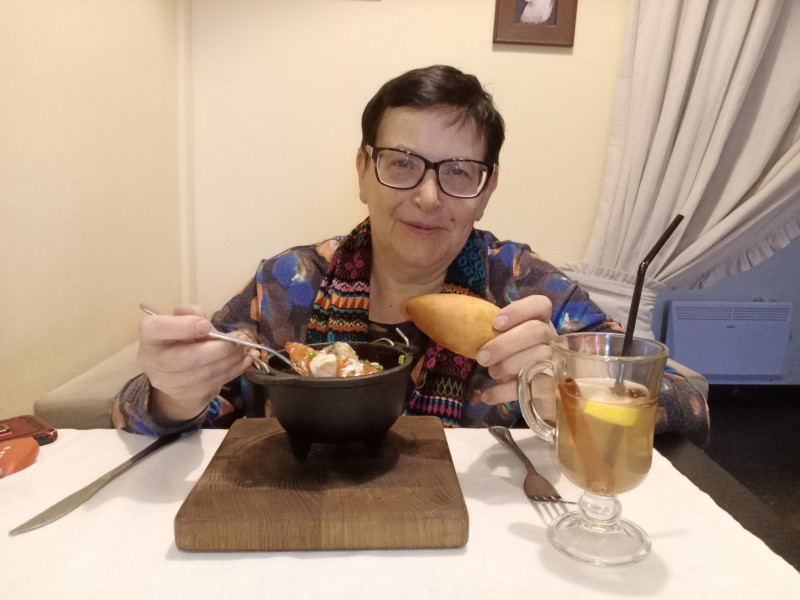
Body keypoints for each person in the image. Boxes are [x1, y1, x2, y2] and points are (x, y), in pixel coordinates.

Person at [113, 65, 709, 444]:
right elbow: (141, 411)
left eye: (459, 171)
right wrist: (174, 394)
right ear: (363, 171)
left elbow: (688, 397)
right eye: (401, 163)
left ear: (487, 190)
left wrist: (574, 396)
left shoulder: (523, 287)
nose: (428, 197)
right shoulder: (287, 283)